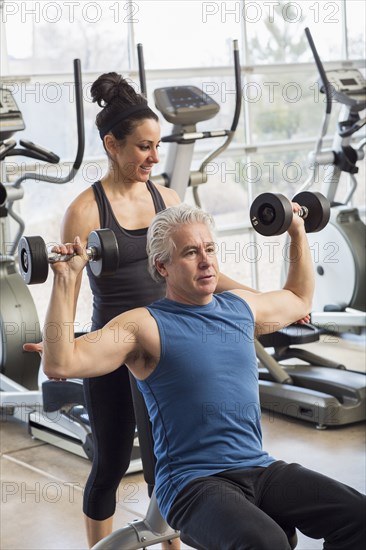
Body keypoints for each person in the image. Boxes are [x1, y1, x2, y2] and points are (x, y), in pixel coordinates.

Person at [27, 203, 365, 550]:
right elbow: (62, 363)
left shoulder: (241, 308)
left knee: (358, 516)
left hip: (258, 467)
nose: (206, 261)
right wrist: (67, 281)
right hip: (193, 484)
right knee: (266, 543)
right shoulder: (144, 325)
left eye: (210, 249)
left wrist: (296, 229)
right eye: (190, 252)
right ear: (163, 267)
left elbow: (298, 297)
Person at [56, 71, 266, 548]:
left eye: (157, 145)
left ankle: (170, 542)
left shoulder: (166, 199)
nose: (154, 157)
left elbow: (200, 266)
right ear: (112, 145)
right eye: (143, 147)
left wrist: (257, 299)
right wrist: (62, 346)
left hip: (168, 347)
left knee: (165, 464)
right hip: (114, 348)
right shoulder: (85, 211)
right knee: (109, 462)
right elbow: (68, 285)